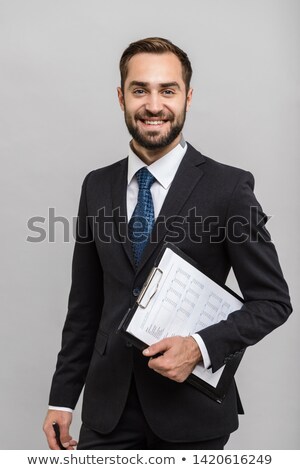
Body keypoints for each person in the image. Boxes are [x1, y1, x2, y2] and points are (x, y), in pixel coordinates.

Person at [43, 37, 292, 450]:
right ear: (121, 97)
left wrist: (199, 346)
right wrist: (62, 400)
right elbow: (85, 306)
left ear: (188, 98)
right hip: (107, 415)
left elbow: (273, 302)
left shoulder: (228, 188)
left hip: (192, 416)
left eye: (168, 90)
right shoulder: (97, 185)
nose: (154, 105)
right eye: (140, 90)